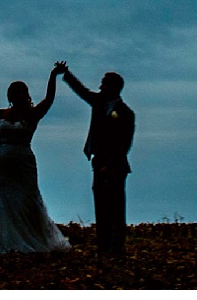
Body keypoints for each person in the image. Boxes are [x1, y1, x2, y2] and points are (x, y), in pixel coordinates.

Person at [0, 61, 72, 255]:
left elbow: (49, 99)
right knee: (1, 198)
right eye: (13, 92)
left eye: (20, 92)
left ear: (25, 95)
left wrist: (53, 76)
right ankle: (2, 238)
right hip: (2, 163)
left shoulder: (33, 114)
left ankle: (29, 237)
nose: (17, 96)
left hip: (24, 163)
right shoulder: (0, 114)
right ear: (10, 96)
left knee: (26, 198)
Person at [60, 63, 135, 258]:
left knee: (116, 209)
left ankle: (116, 249)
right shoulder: (99, 103)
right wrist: (67, 74)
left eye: (104, 83)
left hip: (116, 167)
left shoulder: (126, 113)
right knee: (101, 209)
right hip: (99, 162)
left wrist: (109, 165)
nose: (101, 86)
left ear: (114, 87)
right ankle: (103, 249)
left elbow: (124, 144)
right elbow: (82, 91)